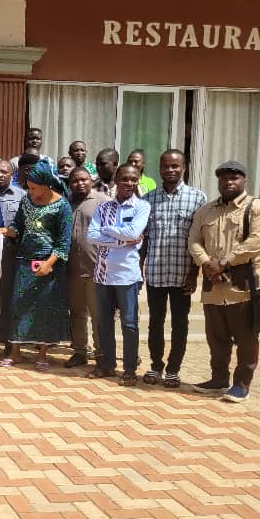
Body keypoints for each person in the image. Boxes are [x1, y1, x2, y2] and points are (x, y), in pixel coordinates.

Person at [188, 160, 260, 404]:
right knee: (216, 337)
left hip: (245, 285)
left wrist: (223, 262)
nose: (228, 182)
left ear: (244, 180)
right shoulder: (206, 211)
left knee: (246, 338)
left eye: (234, 178)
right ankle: (218, 380)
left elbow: (256, 241)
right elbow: (194, 241)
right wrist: (208, 264)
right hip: (213, 284)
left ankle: (241, 385)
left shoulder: (257, 208)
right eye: (224, 178)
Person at [141, 150, 207, 388]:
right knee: (155, 322)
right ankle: (156, 366)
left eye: (175, 166)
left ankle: (174, 369)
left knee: (180, 322)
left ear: (184, 168)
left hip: (182, 274)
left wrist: (194, 273)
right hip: (156, 272)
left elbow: (200, 239)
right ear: (159, 168)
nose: (170, 170)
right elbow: (144, 239)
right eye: (165, 166)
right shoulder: (148, 200)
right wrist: (140, 266)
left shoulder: (198, 198)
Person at [0, 162, 72, 371]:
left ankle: (42, 354)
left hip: (49, 267)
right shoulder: (26, 201)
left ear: (46, 185)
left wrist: (49, 264)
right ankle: (16, 353)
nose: (30, 192)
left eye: (33, 188)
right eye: (29, 188)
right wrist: (8, 231)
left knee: (44, 310)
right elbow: (18, 226)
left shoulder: (62, 206)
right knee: (19, 305)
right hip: (24, 261)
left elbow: (64, 242)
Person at [87, 163, 151, 386]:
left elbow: (134, 232)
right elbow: (91, 236)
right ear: (116, 180)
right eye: (124, 179)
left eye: (133, 180)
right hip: (103, 274)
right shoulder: (103, 208)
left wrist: (108, 230)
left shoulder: (142, 207)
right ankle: (106, 365)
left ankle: (130, 369)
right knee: (103, 322)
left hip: (127, 276)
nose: (129, 184)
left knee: (129, 323)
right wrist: (120, 239)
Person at [65, 167, 109, 369]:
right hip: (72, 269)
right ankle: (80, 352)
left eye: (83, 179)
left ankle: (102, 354)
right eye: (75, 181)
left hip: (97, 270)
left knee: (99, 315)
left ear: (91, 180)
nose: (79, 184)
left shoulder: (103, 201)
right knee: (76, 313)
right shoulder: (66, 204)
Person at [0, 160, 25, 353]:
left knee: (9, 299)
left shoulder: (22, 196)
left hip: (11, 254)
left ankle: (9, 343)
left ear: (12, 174)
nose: (0, 175)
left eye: (4, 172)